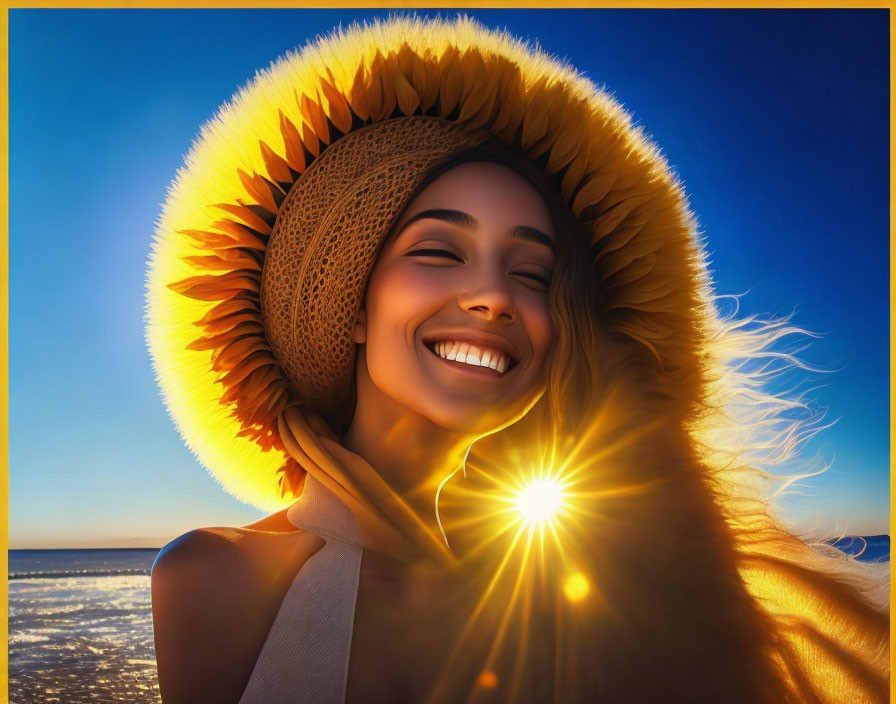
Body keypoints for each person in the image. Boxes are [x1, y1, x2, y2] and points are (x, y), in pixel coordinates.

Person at [146, 16, 889, 704]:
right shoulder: (212, 578)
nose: (494, 297)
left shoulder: (578, 594)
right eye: (439, 251)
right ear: (347, 304)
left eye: (532, 273)